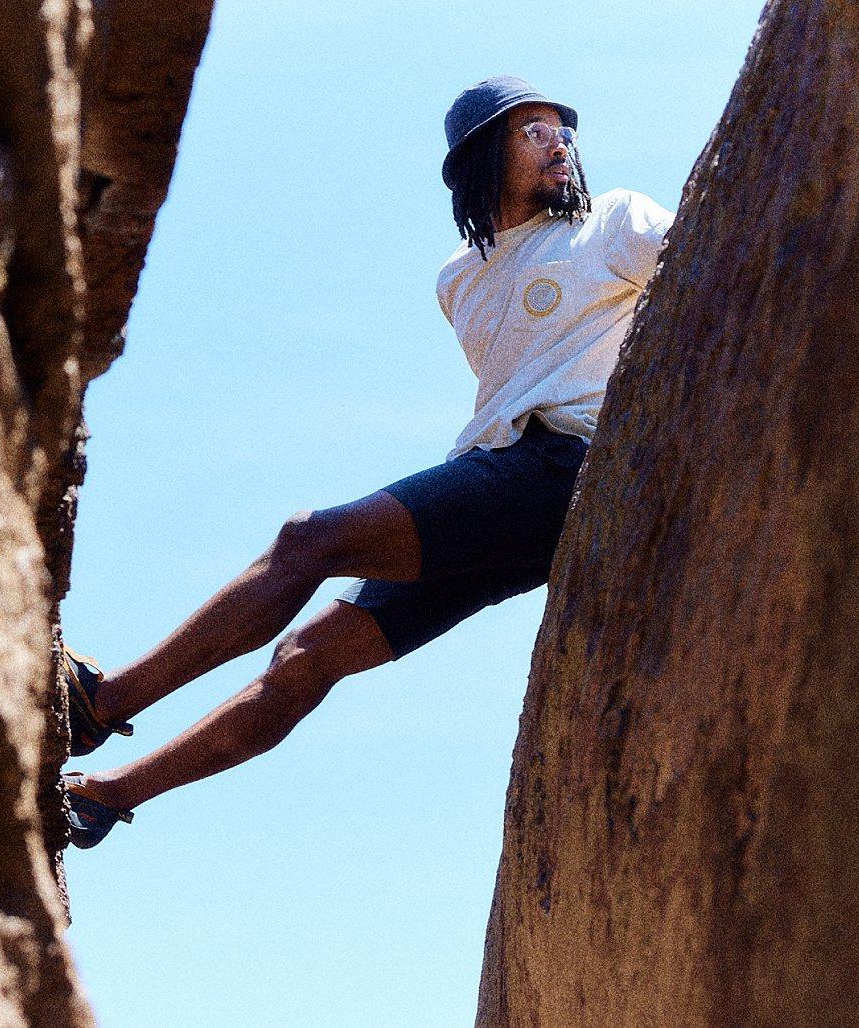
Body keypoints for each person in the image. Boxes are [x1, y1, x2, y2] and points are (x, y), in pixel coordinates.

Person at [59, 75, 674, 847]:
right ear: (482, 156)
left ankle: (105, 700)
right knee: (307, 656)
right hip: (504, 496)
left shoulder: (614, 218)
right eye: (535, 131)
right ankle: (106, 797)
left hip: (561, 467)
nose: (561, 144)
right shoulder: (458, 281)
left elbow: (700, 261)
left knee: (307, 540)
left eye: (564, 131)